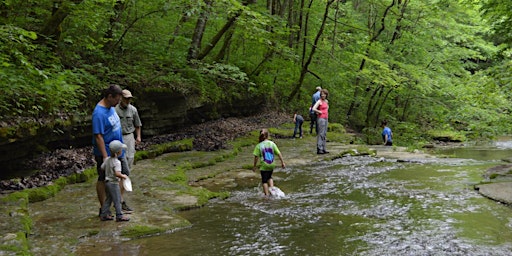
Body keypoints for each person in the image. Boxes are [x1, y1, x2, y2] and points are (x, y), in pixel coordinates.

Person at [92, 84, 127, 217]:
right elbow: (98, 136)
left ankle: (118, 202)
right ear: (109, 96)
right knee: (103, 179)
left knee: (124, 174)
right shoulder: (99, 113)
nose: (118, 102)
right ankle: (104, 209)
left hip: (118, 150)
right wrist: (106, 157)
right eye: (117, 99)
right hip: (106, 152)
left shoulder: (111, 107)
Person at [115, 89, 142, 213]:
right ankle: (119, 199)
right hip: (118, 138)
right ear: (121, 98)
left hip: (129, 137)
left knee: (129, 163)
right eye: (126, 98)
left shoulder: (133, 110)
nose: (128, 100)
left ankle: (121, 195)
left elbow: (138, 124)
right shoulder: (114, 110)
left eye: (129, 98)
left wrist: (138, 137)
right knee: (119, 166)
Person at [99, 140, 130, 222]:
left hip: (107, 182)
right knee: (117, 199)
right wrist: (123, 176)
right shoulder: (117, 162)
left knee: (108, 199)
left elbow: (102, 167)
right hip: (113, 183)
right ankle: (119, 215)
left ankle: (104, 214)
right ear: (119, 152)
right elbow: (117, 173)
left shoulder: (107, 159)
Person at [252, 129, 286, 197]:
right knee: (269, 177)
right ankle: (272, 189)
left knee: (264, 181)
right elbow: (279, 153)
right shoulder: (272, 143)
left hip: (264, 165)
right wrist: (282, 162)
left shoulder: (259, 146)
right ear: (268, 136)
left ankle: (267, 195)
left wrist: (254, 166)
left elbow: (256, 157)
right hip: (272, 164)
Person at [312, 89, 329, 154]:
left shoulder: (326, 101)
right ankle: (319, 148)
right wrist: (319, 111)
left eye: (324, 94)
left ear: (326, 95)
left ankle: (324, 148)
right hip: (321, 118)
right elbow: (313, 108)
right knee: (321, 133)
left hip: (326, 118)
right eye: (322, 94)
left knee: (324, 133)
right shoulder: (319, 101)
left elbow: (327, 109)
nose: (323, 95)